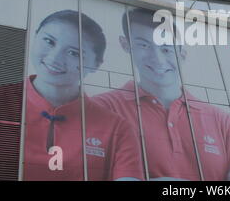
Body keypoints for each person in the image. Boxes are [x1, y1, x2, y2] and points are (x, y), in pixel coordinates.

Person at [93, 8, 230, 181]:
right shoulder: (99, 110)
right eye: (144, 45)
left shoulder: (220, 120)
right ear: (126, 45)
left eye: (166, 49)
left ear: (182, 54)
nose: (158, 59)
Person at [24, 10, 143, 181]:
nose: (55, 58)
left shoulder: (117, 128)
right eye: (49, 41)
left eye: (74, 53)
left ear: (96, 64)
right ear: (34, 37)